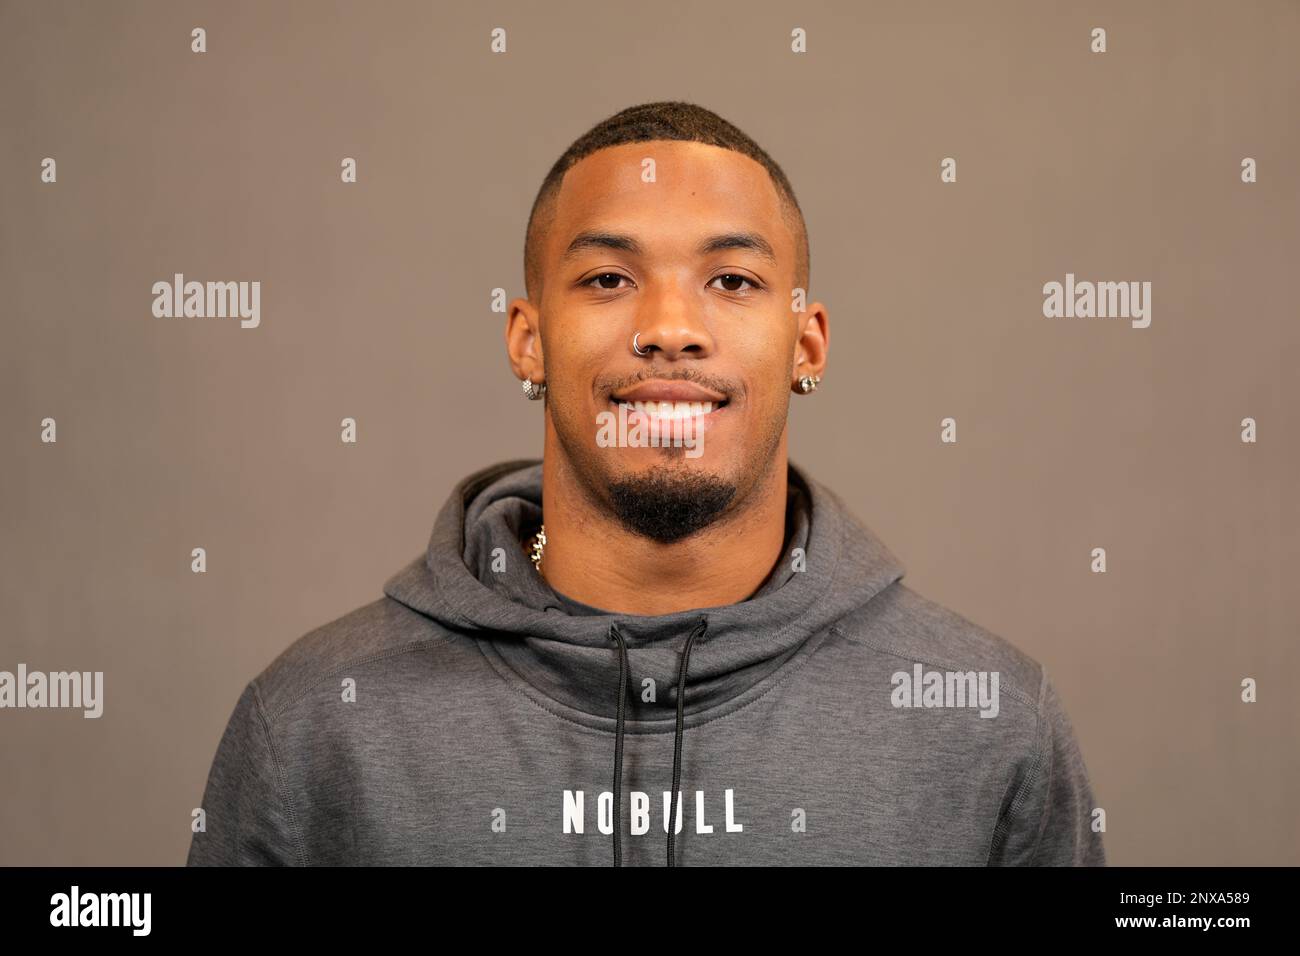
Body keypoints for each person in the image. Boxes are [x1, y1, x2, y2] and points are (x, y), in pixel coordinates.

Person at [187, 101, 1105, 866]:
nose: (671, 327)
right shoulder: (316, 721)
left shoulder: (985, 720)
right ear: (528, 339)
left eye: (734, 280)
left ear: (807, 345)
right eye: (609, 277)